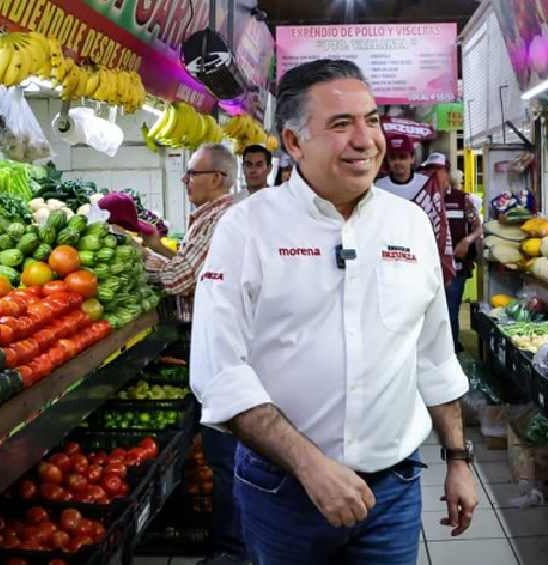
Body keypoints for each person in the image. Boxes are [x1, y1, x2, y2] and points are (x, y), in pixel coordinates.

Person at [190, 59, 477, 565]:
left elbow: (432, 355)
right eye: (341, 125)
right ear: (295, 143)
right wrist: (310, 466)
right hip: (284, 495)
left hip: (393, 490)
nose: (365, 140)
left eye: (371, 120)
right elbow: (218, 370)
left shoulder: (410, 225)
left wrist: (457, 458)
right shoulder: (248, 228)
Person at [141, 144, 247, 565]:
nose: (186, 180)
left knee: (226, 457)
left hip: (224, 354)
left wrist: (139, 256)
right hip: (220, 350)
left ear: (218, 178)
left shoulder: (222, 218)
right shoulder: (214, 217)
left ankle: (232, 550)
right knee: (226, 455)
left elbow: (179, 279)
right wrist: (157, 246)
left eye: (192, 173)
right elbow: (190, 264)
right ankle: (234, 544)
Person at [376, 134, 455, 285]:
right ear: (388, 160)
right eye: (393, 158)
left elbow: (440, 226)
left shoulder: (427, 186)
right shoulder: (378, 187)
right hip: (389, 262)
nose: (398, 162)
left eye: (403, 157)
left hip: (421, 260)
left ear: (412, 159)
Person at [443, 169, 482, 352]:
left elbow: (478, 228)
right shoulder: (423, 200)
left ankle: (450, 349)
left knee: (450, 311)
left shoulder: (462, 199)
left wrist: (467, 241)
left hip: (457, 268)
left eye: (440, 172)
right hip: (430, 269)